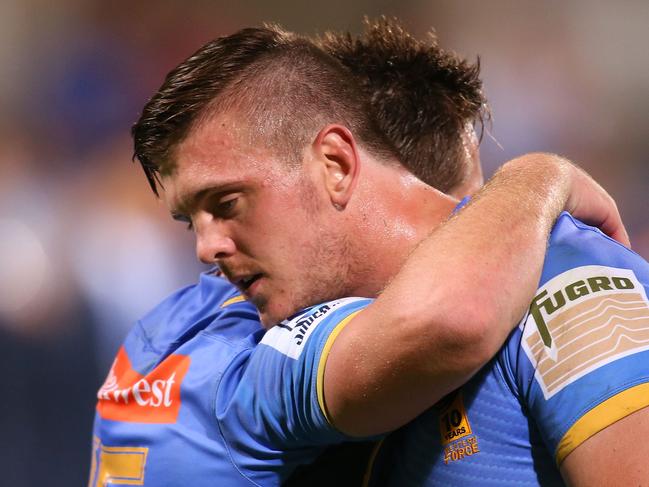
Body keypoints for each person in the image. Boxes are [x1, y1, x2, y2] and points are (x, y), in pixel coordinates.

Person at [91, 21, 633, 487]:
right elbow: (449, 318)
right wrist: (537, 176)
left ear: (336, 164)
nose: (205, 249)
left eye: (228, 203)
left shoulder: (571, 282)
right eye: (191, 220)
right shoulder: (240, 353)